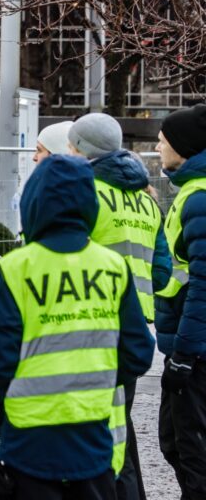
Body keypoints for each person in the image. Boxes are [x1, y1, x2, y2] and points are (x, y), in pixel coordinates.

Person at [0, 154, 154, 498]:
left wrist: (3, 407)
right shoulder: (113, 266)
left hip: (27, 439)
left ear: (33, 204)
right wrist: (97, 384)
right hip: (93, 437)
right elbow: (138, 351)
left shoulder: (16, 268)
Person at [69, 113, 170, 500]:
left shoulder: (84, 191)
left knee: (92, 432)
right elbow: (160, 272)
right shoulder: (146, 201)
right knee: (120, 427)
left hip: (88, 325)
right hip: (134, 330)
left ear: (82, 149)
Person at [153, 104, 206, 498]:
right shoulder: (191, 192)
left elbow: (203, 285)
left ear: (184, 146)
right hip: (188, 346)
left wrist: (185, 355)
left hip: (196, 353)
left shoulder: (199, 199)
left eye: (163, 139)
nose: (157, 146)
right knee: (176, 444)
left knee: (192, 451)